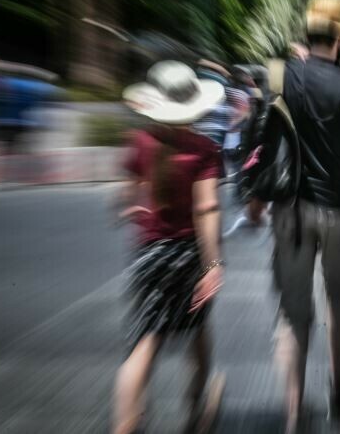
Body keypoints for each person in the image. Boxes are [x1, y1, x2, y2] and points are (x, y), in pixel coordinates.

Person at [267, 0, 340, 433]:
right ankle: (339, 383)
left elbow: (267, 132)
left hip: (290, 209)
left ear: (308, 34)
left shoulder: (282, 75)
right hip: (338, 209)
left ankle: (294, 413)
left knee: (293, 313)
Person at [113, 61, 227, 434]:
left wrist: (131, 206)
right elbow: (206, 208)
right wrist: (212, 264)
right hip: (188, 255)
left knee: (146, 340)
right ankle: (196, 411)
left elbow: (126, 195)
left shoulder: (140, 141)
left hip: (148, 253)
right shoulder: (205, 149)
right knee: (197, 331)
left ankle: (125, 425)